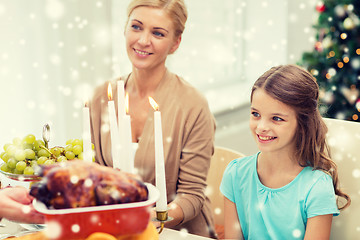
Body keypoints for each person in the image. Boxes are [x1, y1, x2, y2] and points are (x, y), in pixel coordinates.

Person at [89, 0, 217, 238]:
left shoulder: (193, 106)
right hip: (113, 231)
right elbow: (94, 174)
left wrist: (152, 218)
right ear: (125, 29)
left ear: (175, 43)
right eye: (136, 27)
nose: (143, 40)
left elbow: (192, 195)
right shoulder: (101, 98)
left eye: (158, 33)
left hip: (178, 233)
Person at [220, 64, 351, 239]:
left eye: (276, 118)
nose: (261, 127)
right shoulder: (235, 173)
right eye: (255, 114)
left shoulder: (316, 187)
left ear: (303, 124)